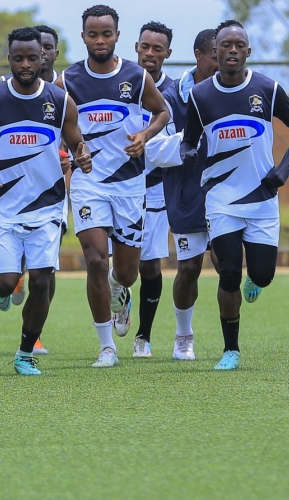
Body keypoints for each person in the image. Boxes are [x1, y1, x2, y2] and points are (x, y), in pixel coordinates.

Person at [181, 20, 289, 371]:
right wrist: (188, 153)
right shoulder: (200, 95)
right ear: (215, 51)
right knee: (228, 272)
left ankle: (258, 277)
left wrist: (283, 170)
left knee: (263, 274)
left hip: (263, 197)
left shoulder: (267, 88)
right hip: (221, 198)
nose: (232, 50)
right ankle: (231, 350)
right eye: (226, 45)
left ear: (248, 51)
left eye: (239, 44)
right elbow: (189, 139)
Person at [0, 27, 92, 375]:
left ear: (44, 57)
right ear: (9, 59)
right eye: (17, 58)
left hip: (48, 206)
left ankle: (25, 353)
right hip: (4, 207)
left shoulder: (60, 100)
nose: (25, 64)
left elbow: (76, 142)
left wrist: (82, 156)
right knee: (5, 283)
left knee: (41, 279)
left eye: (31, 57)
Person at [58, 5, 169, 368]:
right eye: (93, 34)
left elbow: (162, 111)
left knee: (126, 272)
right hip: (88, 183)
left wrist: (145, 135)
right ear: (83, 36)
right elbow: (57, 121)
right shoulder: (68, 80)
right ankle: (107, 347)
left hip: (129, 185)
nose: (100, 40)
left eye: (106, 33)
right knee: (93, 259)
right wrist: (76, 148)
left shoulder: (136, 76)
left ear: (118, 36)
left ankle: (120, 288)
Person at [146, 28, 218, 360]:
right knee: (188, 268)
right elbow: (152, 150)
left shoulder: (239, 90)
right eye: (216, 55)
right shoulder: (172, 98)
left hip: (224, 191)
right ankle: (183, 336)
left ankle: (230, 345)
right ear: (199, 56)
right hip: (186, 191)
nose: (224, 61)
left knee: (227, 264)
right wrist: (188, 145)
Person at [131, 21, 176, 358]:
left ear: (167, 54)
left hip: (157, 189)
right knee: (118, 266)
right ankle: (119, 294)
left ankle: (143, 336)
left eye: (157, 49)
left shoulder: (176, 93)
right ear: (136, 47)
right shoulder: (120, 82)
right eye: (145, 47)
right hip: (117, 187)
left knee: (150, 266)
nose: (150, 54)